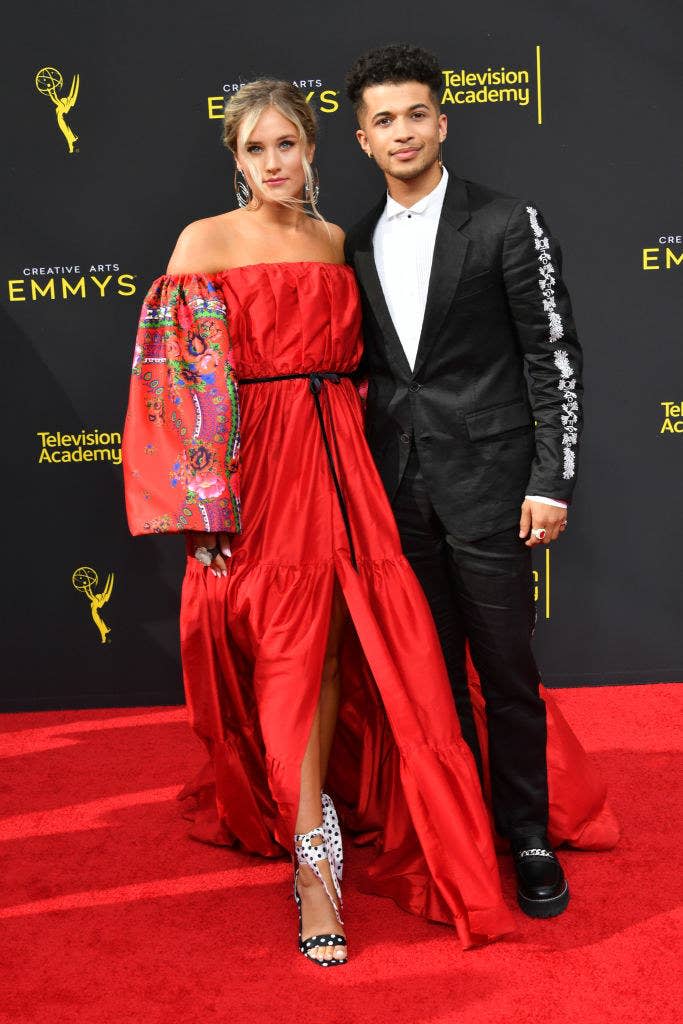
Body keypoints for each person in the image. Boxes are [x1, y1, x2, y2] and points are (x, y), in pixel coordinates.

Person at [122, 79, 520, 966]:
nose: (273, 162)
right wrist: (203, 504)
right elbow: (173, 385)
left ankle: (334, 815)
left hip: (345, 463)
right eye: (255, 149)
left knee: (342, 649)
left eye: (287, 146)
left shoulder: (340, 241)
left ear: (313, 151)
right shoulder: (205, 243)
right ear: (236, 160)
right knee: (288, 657)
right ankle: (311, 870)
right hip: (259, 469)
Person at [344, 44, 617, 918]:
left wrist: (553, 481)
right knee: (431, 680)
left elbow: (553, 358)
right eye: (384, 119)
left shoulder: (505, 221)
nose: (402, 131)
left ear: (441, 122)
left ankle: (528, 833)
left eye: (416, 113)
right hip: (398, 494)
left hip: (495, 488)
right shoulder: (351, 241)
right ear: (361, 138)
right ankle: (461, 830)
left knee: (504, 673)